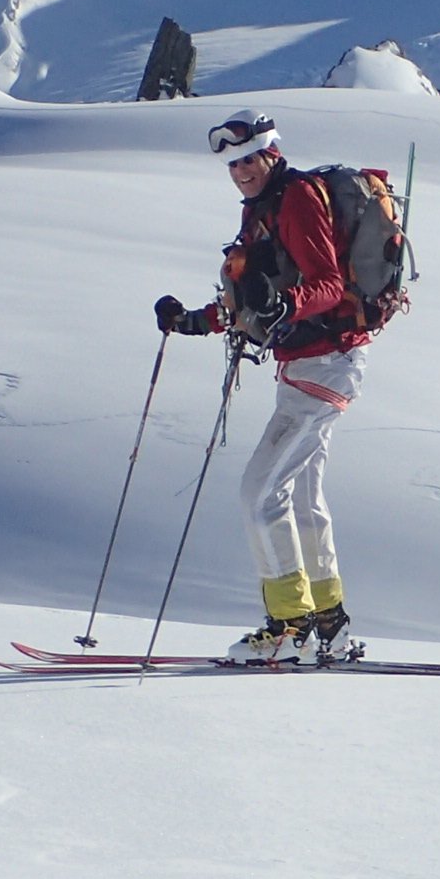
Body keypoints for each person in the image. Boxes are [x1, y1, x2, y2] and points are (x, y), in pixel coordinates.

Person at [154, 112, 377, 663]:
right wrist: (192, 321)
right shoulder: (262, 210)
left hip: (328, 361)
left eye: (249, 159)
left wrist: (289, 305)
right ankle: (330, 624)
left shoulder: (297, 197)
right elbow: (248, 301)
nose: (240, 171)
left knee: (259, 493)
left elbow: (327, 283)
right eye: (232, 163)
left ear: (271, 154)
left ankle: (288, 628)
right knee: (302, 496)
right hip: (307, 365)